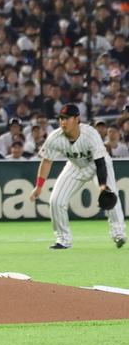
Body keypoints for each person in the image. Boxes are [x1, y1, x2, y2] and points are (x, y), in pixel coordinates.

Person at [30, 104, 125, 249]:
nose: (63, 122)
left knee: (109, 194)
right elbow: (47, 161)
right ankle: (63, 240)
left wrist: (102, 187)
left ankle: (119, 234)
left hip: (97, 164)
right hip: (75, 166)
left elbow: (100, 163)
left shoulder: (90, 134)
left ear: (77, 119)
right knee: (56, 200)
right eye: (61, 118)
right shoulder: (55, 137)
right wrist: (39, 185)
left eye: (67, 118)